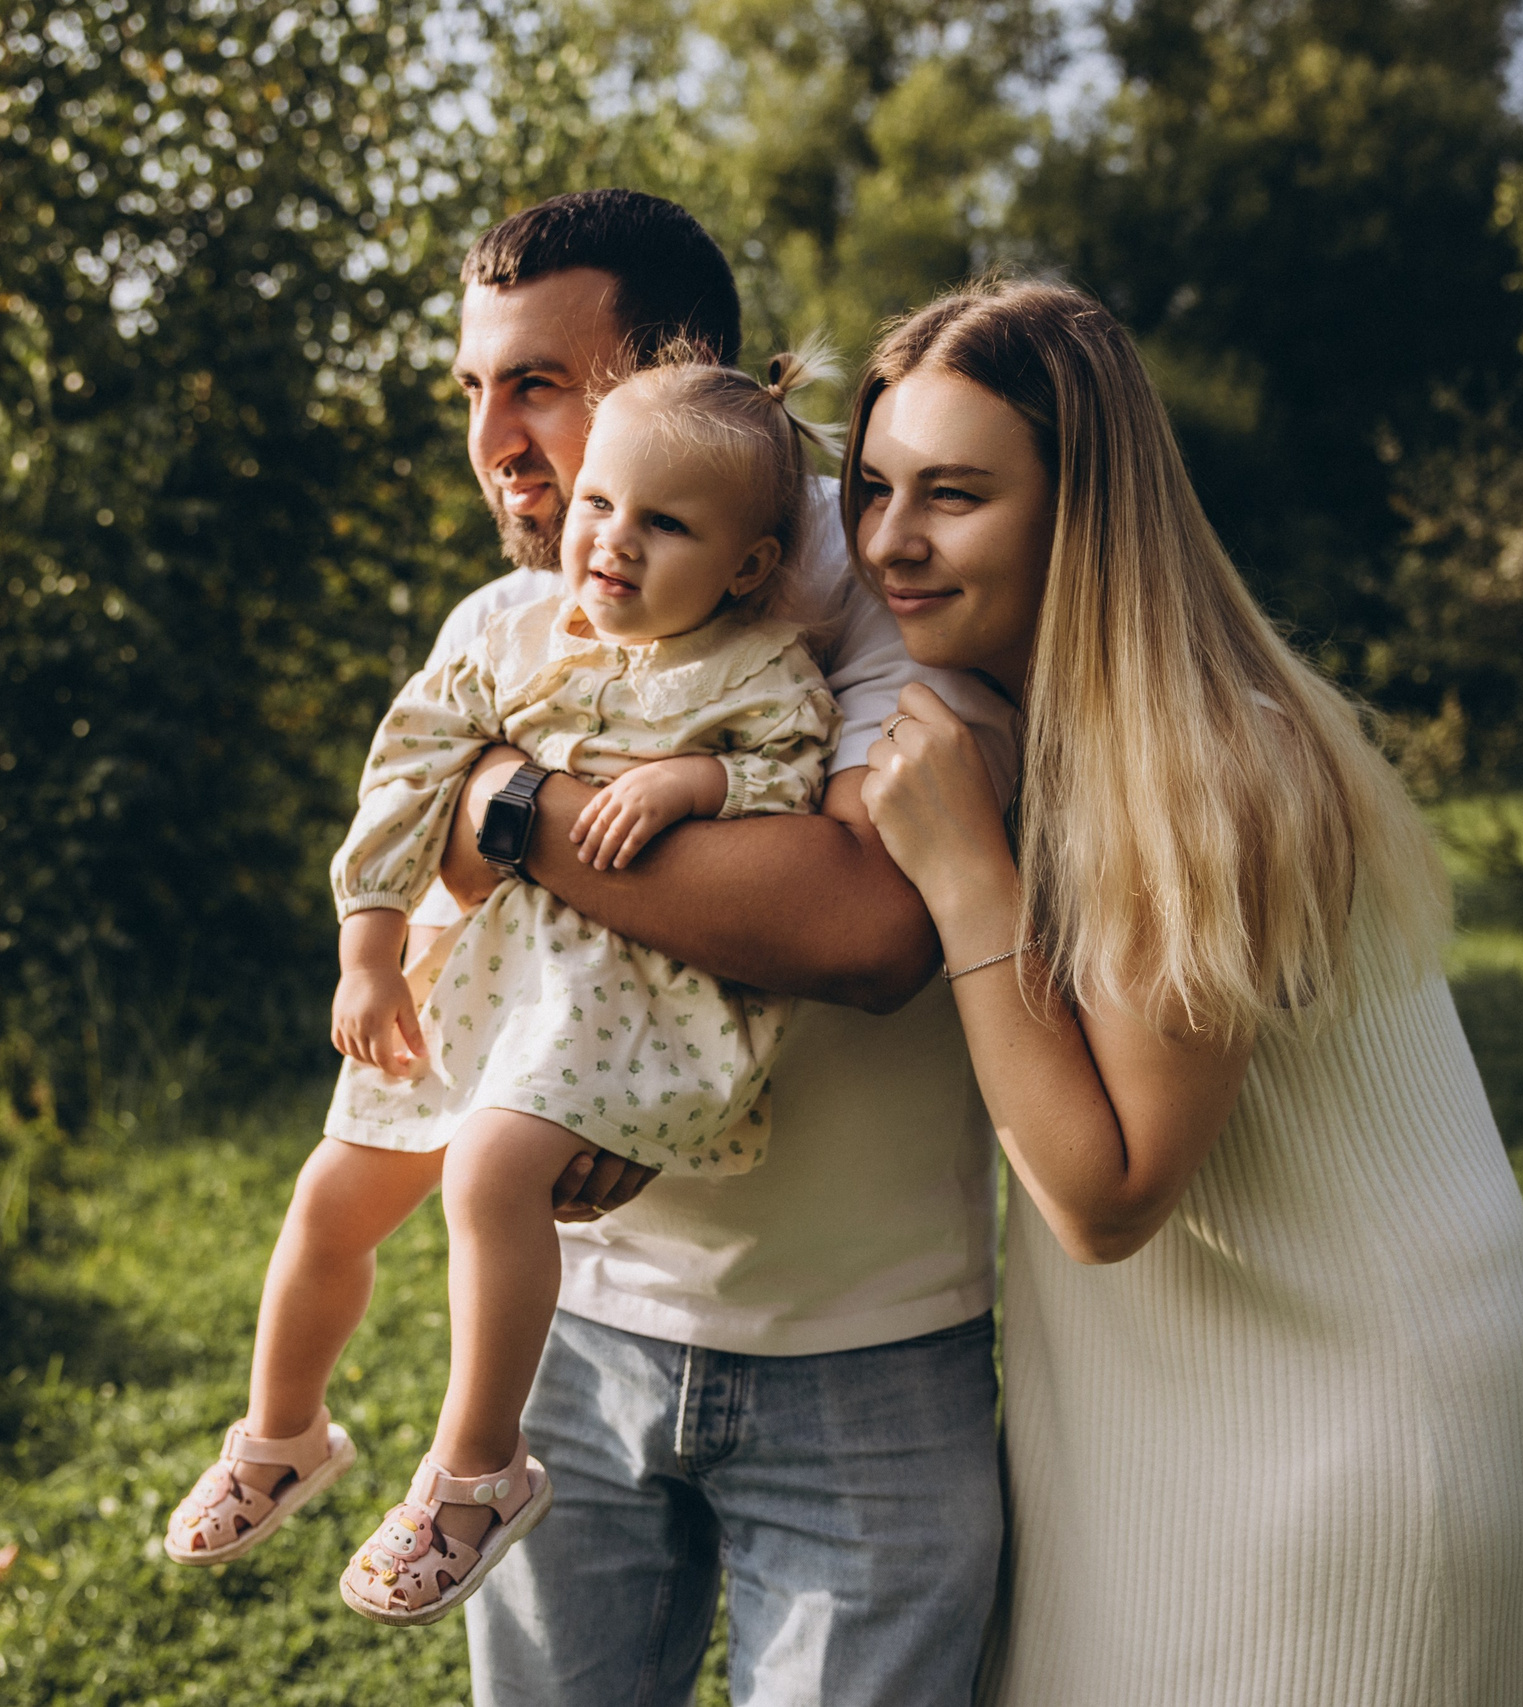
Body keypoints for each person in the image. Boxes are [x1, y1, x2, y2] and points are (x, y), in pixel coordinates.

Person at [848, 277, 1523, 1702]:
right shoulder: (1051, 724)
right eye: (872, 488)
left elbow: (1113, 1191)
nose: (888, 542)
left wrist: (967, 878)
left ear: (1081, 510)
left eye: (954, 495)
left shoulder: (1200, 759)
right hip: (1149, 1403)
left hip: (1342, 1413)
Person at [424, 192, 1019, 1704]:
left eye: (536, 385)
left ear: (677, 372)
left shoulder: (878, 572)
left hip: (863, 1348)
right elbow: (411, 840)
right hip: (575, 1321)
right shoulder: (528, 606)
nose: (495, 436)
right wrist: (497, 808)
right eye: (473, 390)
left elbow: (864, 918)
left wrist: (509, 794)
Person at [162, 346, 845, 1630]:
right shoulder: (519, 638)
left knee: (484, 1172)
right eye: (599, 504)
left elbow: (795, 790)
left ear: (748, 565)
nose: (613, 543)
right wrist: (368, 940)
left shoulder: (760, 674)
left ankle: (477, 1471)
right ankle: (282, 1429)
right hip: (492, 983)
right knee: (332, 1190)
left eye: (665, 525)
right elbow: (408, 765)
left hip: (639, 1013)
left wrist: (691, 783)